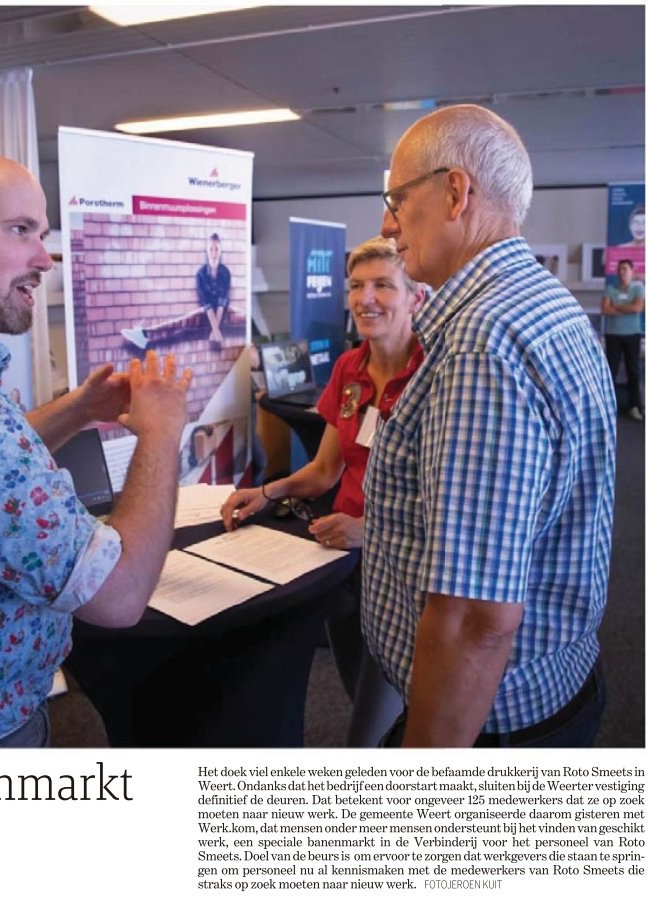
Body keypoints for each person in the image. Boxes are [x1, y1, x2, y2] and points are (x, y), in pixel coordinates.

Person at [0, 148, 192, 748]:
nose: (43, 259)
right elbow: (118, 595)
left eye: (43, 233)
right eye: (20, 230)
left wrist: (78, 411)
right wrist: (161, 433)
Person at [366, 104, 616, 748]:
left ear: (455, 192)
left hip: (488, 724)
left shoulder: (483, 343)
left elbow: (476, 614)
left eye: (397, 198)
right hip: (548, 690)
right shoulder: (545, 300)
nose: (387, 223)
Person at [220, 237, 425, 746]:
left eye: (383, 285)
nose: (366, 298)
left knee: (405, 709)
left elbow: (453, 497)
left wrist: (370, 530)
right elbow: (326, 469)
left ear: (415, 298)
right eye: (357, 285)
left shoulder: (435, 374)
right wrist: (269, 490)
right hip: (346, 560)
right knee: (361, 687)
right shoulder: (349, 369)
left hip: (408, 565)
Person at [602, 258, 645, 421]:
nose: (622, 272)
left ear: (632, 272)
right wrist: (627, 308)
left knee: (633, 371)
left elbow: (638, 308)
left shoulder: (638, 288)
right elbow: (605, 309)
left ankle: (634, 406)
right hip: (613, 334)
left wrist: (616, 307)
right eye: (620, 269)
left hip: (632, 334)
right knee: (610, 370)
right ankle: (607, 406)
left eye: (625, 269)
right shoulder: (610, 288)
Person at [197, 232, 231, 350]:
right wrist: (216, 332)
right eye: (211, 249)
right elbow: (206, 303)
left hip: (221, 312)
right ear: (207, 251)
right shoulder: (200, 274)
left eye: (216, 249)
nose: (214, 253)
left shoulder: (225, 272)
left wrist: (215, 332)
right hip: (208, 313)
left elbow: (222, 301)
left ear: (220, 251)